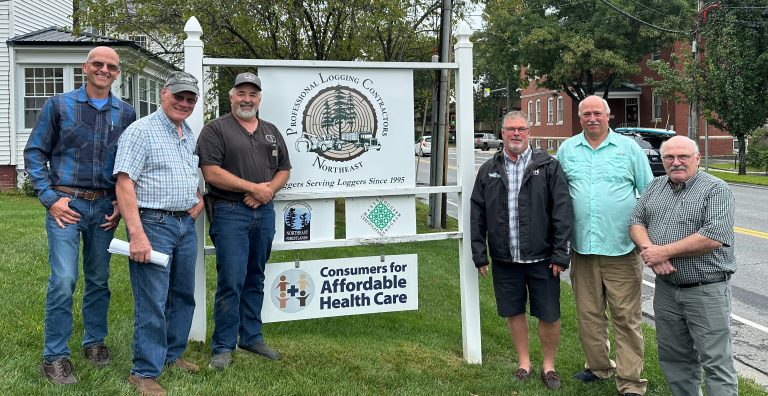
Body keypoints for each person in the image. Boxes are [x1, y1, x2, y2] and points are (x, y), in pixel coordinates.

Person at [24, 46, 136, 385]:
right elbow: (34, 152)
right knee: (63, 279)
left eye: (111, 67)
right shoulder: (59, 105)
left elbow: (127, 163)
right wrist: (49, 198)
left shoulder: (126, 113)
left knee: (99, 279)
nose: (104, 70)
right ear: (85, 67)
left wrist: (120, 202)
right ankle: (55, 356)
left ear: (118, 73)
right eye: (98, 64)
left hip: (104, 207)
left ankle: (95, 342)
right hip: (66, 205)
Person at [114, 71, 205, 396]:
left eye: (189, 99)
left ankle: (172, 354)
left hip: (184, 225)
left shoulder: (188, 132)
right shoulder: (141, 131)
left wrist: (197, 198)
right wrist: (136, 234)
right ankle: (144, 372)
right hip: (153, 224)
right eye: (178, 96)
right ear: (163, 94)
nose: (183, 103)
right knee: (152, 300)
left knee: (182, 295)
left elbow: (189, 173)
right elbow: (124, 183)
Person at [556, 95, 653, 396]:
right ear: (580, 117)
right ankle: (598, 367)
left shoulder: (628, 149)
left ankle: (631, 382)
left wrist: (646, 241)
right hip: (582, 248)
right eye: (586, 114)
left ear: (608, 116)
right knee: (589, 315)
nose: (592, 118)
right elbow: (558, 195)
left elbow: (648, 194)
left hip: (622, 248)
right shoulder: (567, 149)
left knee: (626, 317)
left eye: (597, 113)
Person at [471, 111, 573, 390]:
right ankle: (524, 362)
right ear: (502, 133)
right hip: (505, 259)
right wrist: (480, 254)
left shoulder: (548, 166)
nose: (516, 134)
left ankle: (548, 366)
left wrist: (561, 254)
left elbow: (562, 212)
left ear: (529, 132)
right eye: (510, 129)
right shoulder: (489, 169)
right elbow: (477, 214)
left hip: (543, 259)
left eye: (521, 129)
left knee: (549, 314)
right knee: (513, 311)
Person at [629, 136, 737, 396]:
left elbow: (713, 236)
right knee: (675, 360)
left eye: (683, 157)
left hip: (706, 290)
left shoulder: (716, 189)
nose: (676, 163)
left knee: (715, 362)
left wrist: (662, 252)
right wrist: (650, 251)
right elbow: (635, 220)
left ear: (697, 158)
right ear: (662, 160)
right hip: (667, 290)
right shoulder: (655, 186)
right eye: (669, 157)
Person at [197, 72, 291, 370]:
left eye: (252, 94)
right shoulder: (215, 129)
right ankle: (223, 346)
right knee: (231, 280)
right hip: (229, 213)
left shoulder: (271, 131)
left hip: (263, 213)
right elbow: (210, 172)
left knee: (256, 277)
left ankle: (251, 336)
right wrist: (253, 189)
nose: (247, 99)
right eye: (241, 93)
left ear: (259, 98)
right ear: (231, 96)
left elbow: (284, 170)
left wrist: (266, 192)